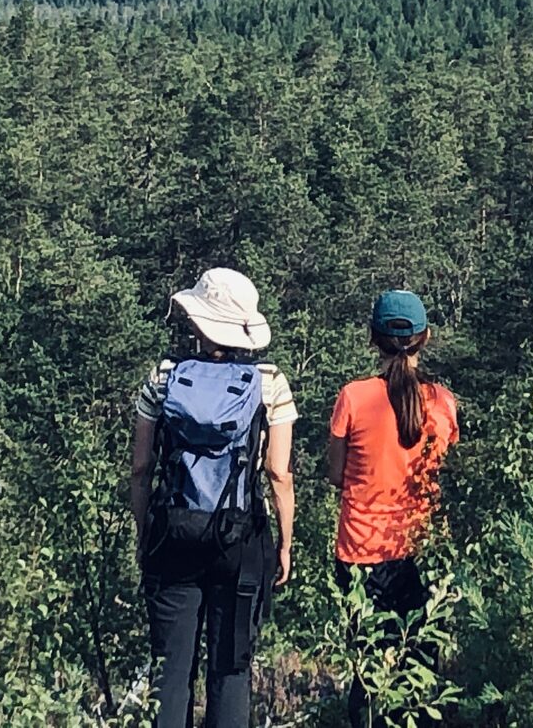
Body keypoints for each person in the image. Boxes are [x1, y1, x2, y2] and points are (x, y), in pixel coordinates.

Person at [131, 268, 296, 728]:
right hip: (240, 538)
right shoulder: (269, 382)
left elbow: (142, 468)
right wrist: (284, 543)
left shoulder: (163, 377)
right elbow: (278, 472)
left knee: (171, 671)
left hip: (174, 533)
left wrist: (146, 533)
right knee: (230, 668)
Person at [326, 290, 459, 724]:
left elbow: (335, 474)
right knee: (418, 669)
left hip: (359, 552)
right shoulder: (442, 403)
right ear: (426, 338)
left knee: (367, 669)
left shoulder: (353, 397)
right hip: (421, 549)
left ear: (372, 338)